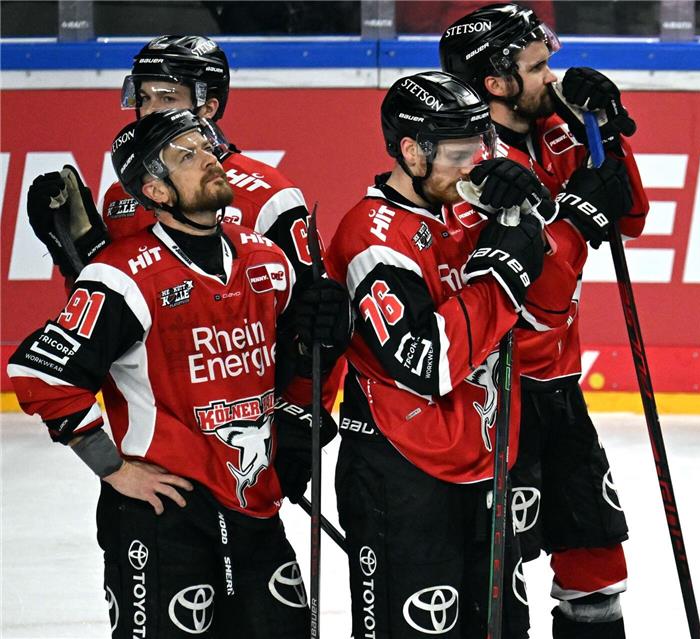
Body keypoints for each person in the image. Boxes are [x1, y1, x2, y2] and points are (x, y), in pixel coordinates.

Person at [7, 109, 349, 638]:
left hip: (253, 501)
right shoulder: (121, 277)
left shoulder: (268, 261)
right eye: (186, 156)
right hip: (166, 513)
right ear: (157, 191)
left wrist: (318, 353)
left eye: (207, 148)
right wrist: (113, 468)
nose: (210, 160)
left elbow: (293, 366)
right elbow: (40, 375)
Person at [325, 70, 577, 638]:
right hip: (403, 473)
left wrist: (535, 221)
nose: (475, 165)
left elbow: (548, 320)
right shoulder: (371, 237)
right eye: (461, 152)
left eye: (481, 146)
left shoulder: (474, 211)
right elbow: (426, 364)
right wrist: (503, 276)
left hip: (486, 461)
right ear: (412, 151)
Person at [440, 5, 647, 637]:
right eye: (536, 67)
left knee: (596, 553)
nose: (551, 76)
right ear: (496, 83)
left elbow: (629, 215)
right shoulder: (469, 162)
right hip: (496, 395)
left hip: (558, 386)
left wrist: (604, 132)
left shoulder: (557, 128)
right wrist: (572, 218)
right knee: (499, 569)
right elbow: (533, 290)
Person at [24, 34, 345, 407]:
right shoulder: (123, 195)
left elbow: (320, 324)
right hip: (158, 434)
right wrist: (75, 257)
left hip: (249, 423)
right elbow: (111, 321)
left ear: (207, 107)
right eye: (144, 97)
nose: (149, 110)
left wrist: (301, 416)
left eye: (167, 97)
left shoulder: (268, 194)